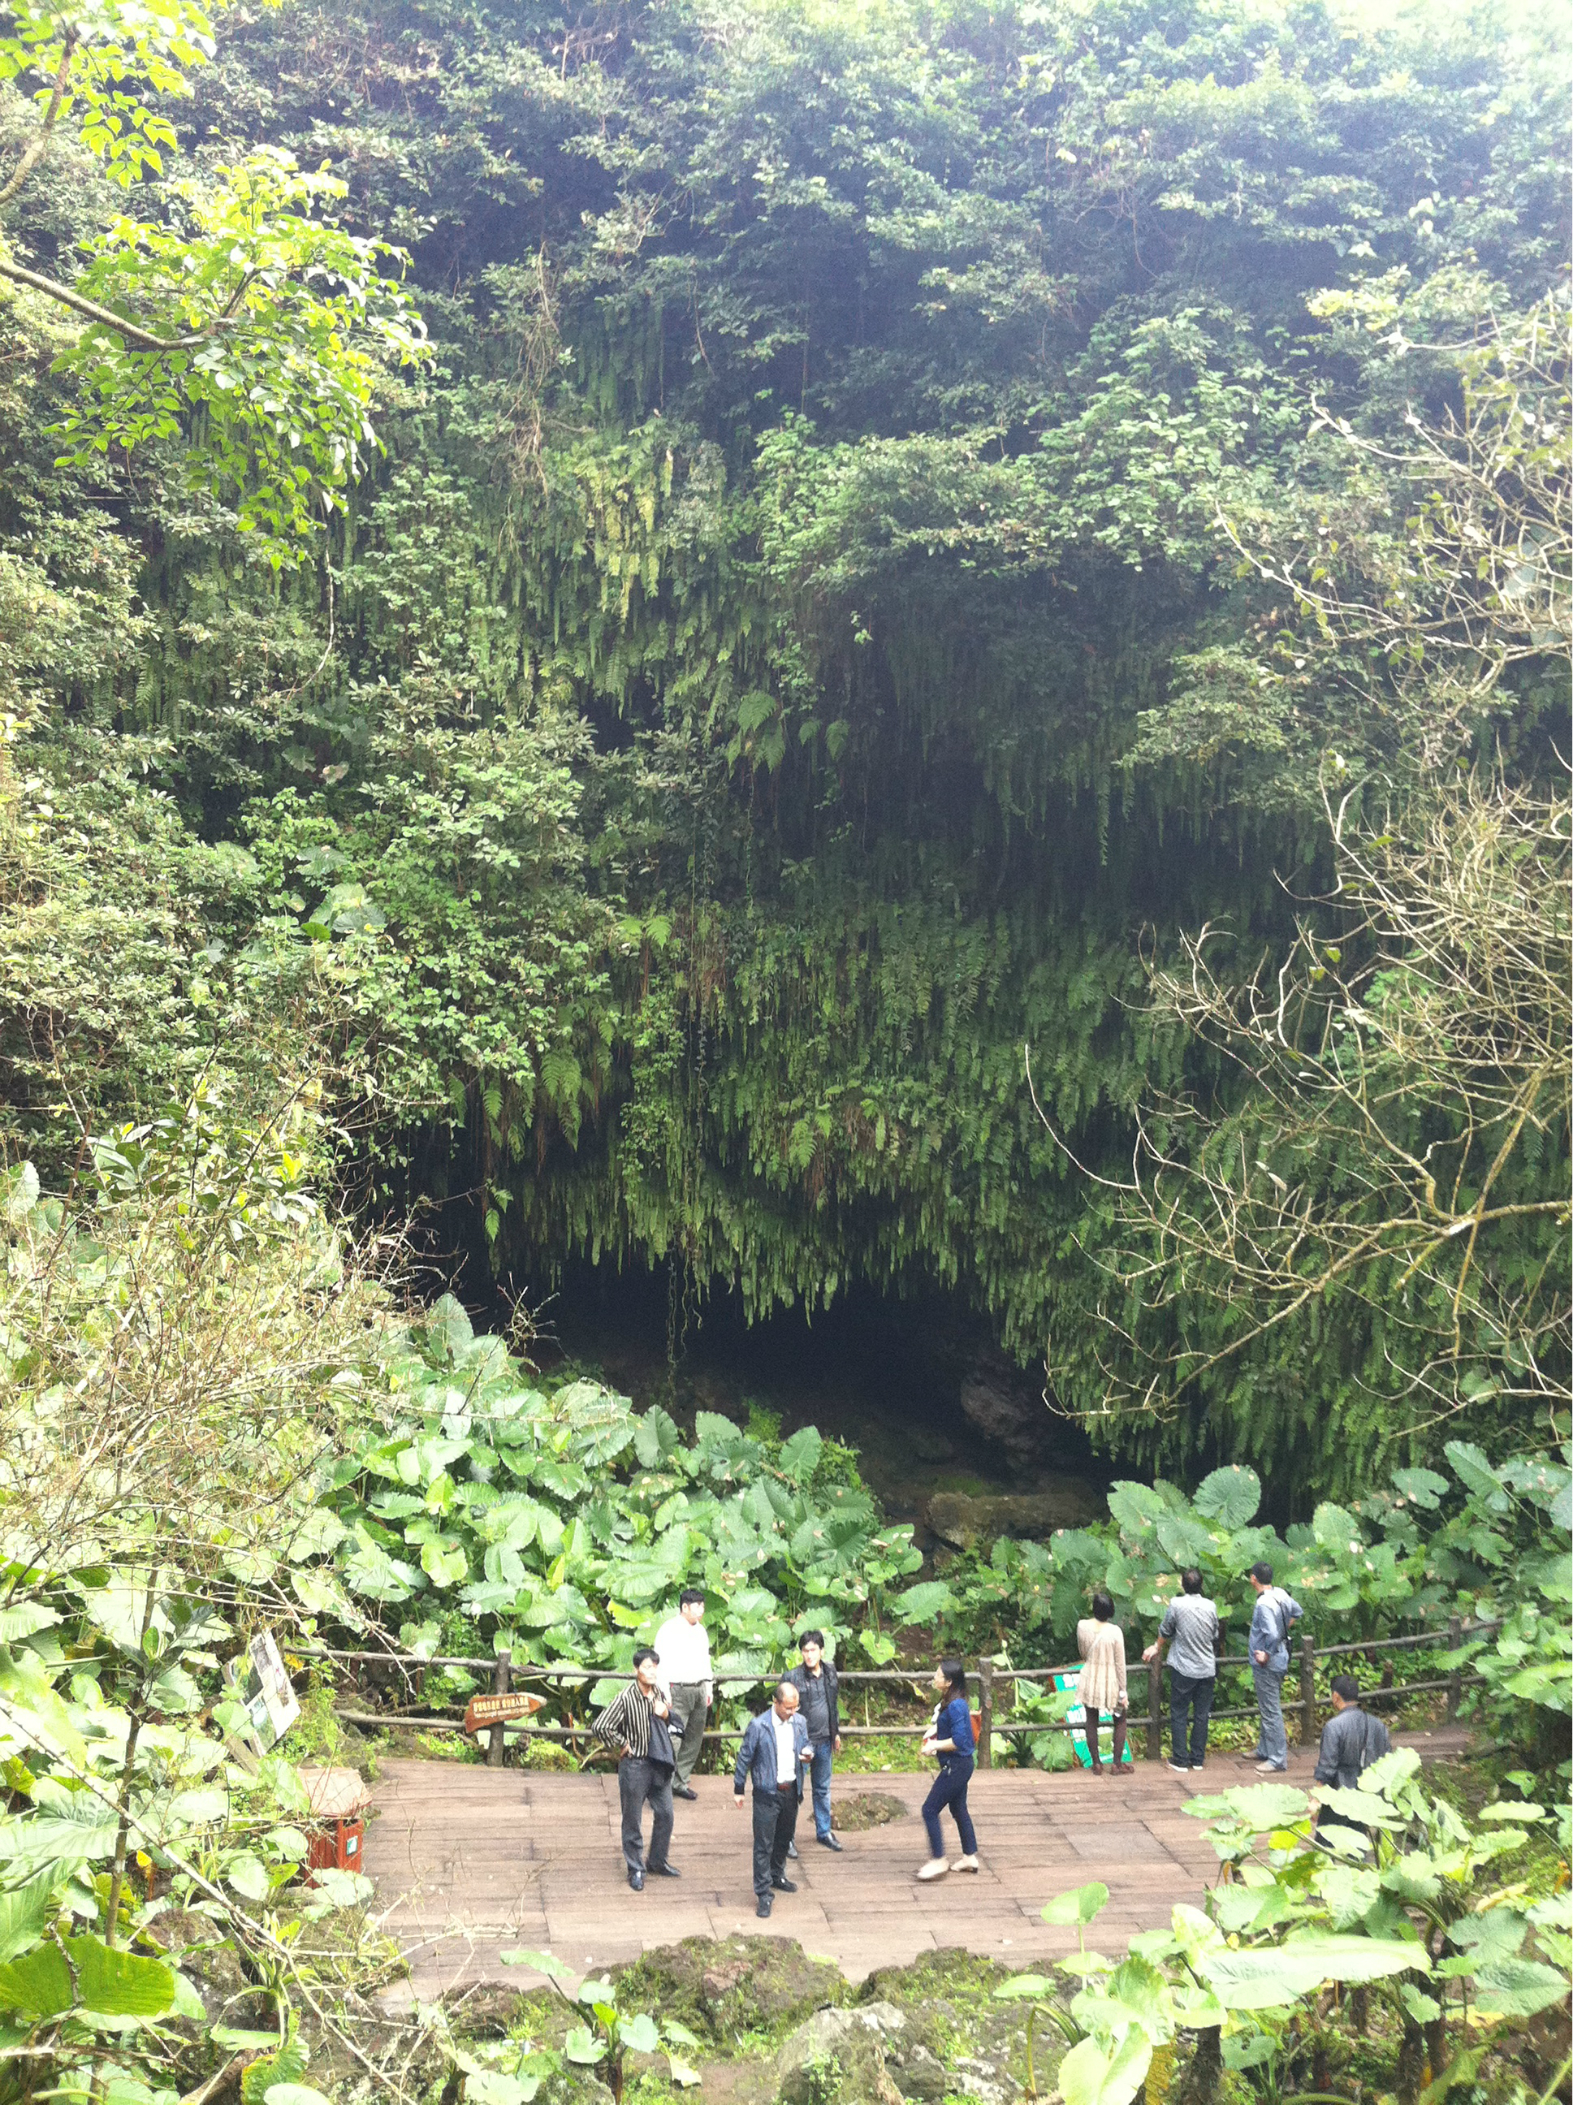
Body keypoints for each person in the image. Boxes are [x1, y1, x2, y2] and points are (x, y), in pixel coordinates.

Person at [592, 1648, 680, 1890]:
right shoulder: (625, 1698)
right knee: (632, 1819)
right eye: (647, 1667)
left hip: (658, 1763)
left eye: (654, 1667)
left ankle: (657, 1861)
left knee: (666, 1813)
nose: (651, 1672)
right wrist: (622, 1744)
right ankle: (636, 1869)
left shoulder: (659, 1693)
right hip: (635, 1766)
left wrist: (665, 1715)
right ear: (636, 1670)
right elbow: (600, 1726)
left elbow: (668, 1721)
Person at [733, 1680, 813, 1917]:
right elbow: (744, 1758)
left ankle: (777, 1875)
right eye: (788, 1707)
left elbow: (806, 1743)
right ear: (776, 1703)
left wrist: (808, 1754)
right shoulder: (759, 1726)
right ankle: (763, 1893)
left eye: (795, 1707)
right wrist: (739, 1789)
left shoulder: (800, 1722)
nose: (792, 1712)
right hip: (767, 1792)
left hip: (791, 1790)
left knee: (784, 1838)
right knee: (763, 1844)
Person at [1143, 1567, 1222, 1773]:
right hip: (1206, 1668)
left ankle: (1180, 1759)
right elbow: (1214, 1633)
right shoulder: (1210, 1606)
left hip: (1184, 1667)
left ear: (1183, 1585)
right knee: (1202, 1714)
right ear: (1201, 1585)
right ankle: (1197, 1759)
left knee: (1178, 1712)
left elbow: (1166, 1630)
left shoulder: (1177, 1604)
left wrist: (1156, 1646)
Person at [916, 1657, 978, 1880]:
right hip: (959, 1765)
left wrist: (935, 1745)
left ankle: (938, 1859)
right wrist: (934, 1732)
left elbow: (960, 1741)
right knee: (959, 1809)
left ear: (949, 1681)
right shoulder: (951, 1702)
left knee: (929, 1809)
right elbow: (949, 1728)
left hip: (957, 1766)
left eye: (938, 1675)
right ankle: (969, 1856)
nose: (934, 1678)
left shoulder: (957, 1706)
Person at [1312, 1675, 1391, 1843]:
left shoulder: (1334, 1726)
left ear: (1335, 1696)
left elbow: (1327, 1768)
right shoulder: (1379, 1725)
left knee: (1324, 1847)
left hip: (1339, 1796)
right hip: (1367, 1796)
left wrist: (1316, 1799)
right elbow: (1387, 1761)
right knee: (1358, 1847)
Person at [785, 1630, 844, 1852]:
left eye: (813, 1650)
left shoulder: (830, 1672)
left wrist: (835, 1733)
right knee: (794, 1791)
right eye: (805, 1651)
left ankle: (824, 1831)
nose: (809, 1655)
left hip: (824, 1740)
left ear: (821, 1651)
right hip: (800, 1743)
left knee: (822, 1789)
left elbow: (833, 1704)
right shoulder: (792, 1677)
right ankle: (787, 1837)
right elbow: (782, 1711)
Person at [653, 1589, 713, 1800]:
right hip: (676, 1690)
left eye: (703, 1606)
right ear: (685, 1607)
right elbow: (658, 1663)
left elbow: (706, 1660)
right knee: (673, 1740)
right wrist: (664, 1691)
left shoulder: (701, 1632)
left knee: (694, 1738)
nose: (701, 1611)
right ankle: (661, 1787)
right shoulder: (668, 1630)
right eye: (697, 1606)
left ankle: (680, 1781)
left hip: (699, 1688)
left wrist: (709, 1687)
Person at [1248, 1561, 1303, 1774]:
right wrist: (1283, 1629)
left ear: (1254, 1579)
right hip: (1283, 1656)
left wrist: (1266, 1653)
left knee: (1271, 1710)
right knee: (1267, 1704)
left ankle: (1277, 1758)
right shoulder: (1280, 1594)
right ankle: (1264, 1748)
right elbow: (1297, 1612)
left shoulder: (1263, 1605)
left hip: (1269, 1662)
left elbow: (1270, 1634)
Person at [1076, 1592, 1131, 1775]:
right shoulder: (1115, 1632)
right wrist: (1123, 1691)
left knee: (1091, 1720)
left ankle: (1097, 1763)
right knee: (1120, 1719)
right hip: (1111, 1681)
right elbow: (1120, 1664)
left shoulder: (1082, 1626)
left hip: (1090, 1677)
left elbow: (1083, 1652)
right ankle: (1116, 1763)